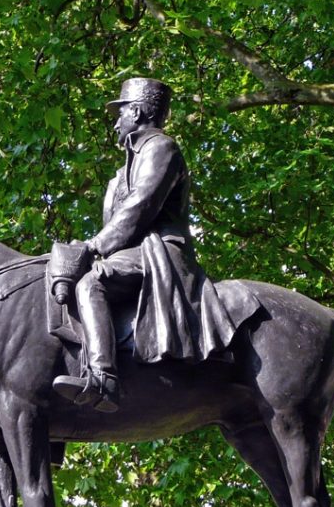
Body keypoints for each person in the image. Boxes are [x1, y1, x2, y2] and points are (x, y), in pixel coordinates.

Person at [52, 78, 243, 412]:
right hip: (132, 252)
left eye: (120, 113)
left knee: (91, 284)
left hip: (160, 252)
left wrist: (95, 247)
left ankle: (103, 379)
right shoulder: (126, 164)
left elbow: (141, 206)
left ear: (136, 111)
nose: (115, 122)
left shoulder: (160, 148)